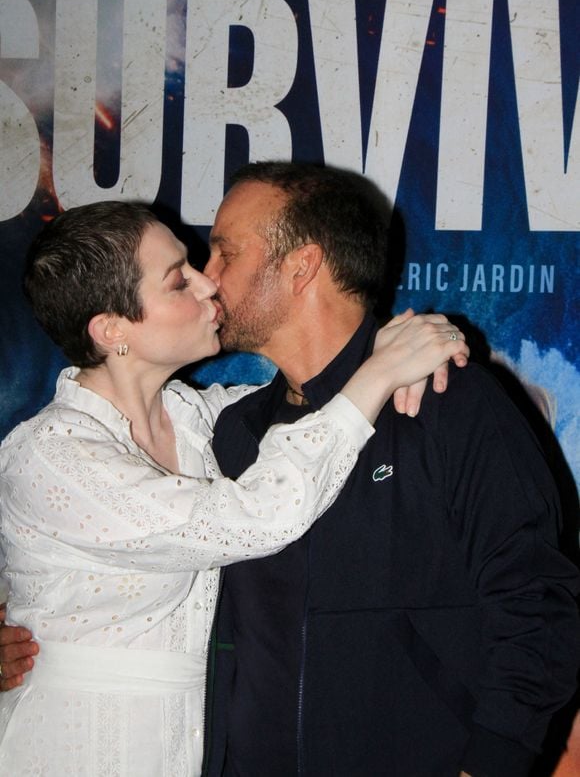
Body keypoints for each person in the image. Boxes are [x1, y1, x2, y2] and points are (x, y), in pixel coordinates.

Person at [0, 199, 468, 777]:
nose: (208, 285)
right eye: (179, 281)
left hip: (186, 743)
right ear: (112, 329)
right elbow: (257, 517)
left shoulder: (200, 417)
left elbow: (309, 412)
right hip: (76, 745)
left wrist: (410, 342)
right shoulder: (50, 455)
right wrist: (379, 373)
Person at [195, 162, 578, 777]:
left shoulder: (450, 404)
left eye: (223, 253)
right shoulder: (232, 433)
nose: (205, 278)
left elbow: (536, 606)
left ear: (302, 266)